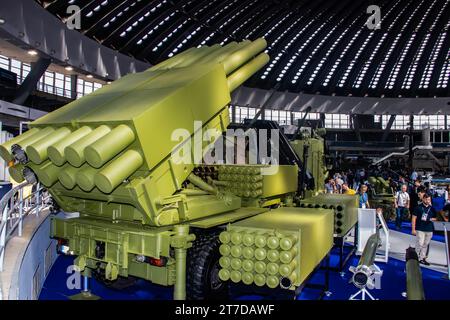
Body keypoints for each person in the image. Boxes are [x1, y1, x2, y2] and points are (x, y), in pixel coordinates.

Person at [412, 194, 437, 265]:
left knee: (425, 244)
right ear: (423, 199)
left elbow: (436, 218)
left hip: (429, 229)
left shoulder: (432, 208)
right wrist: (413, 229)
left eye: (429, 199)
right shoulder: (418, 207)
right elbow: (414, 218)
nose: (427, 201)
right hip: (420, 228)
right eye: (426, 199)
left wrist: (432, 219)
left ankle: (422, 258)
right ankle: (415, 258)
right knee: (419, 243)